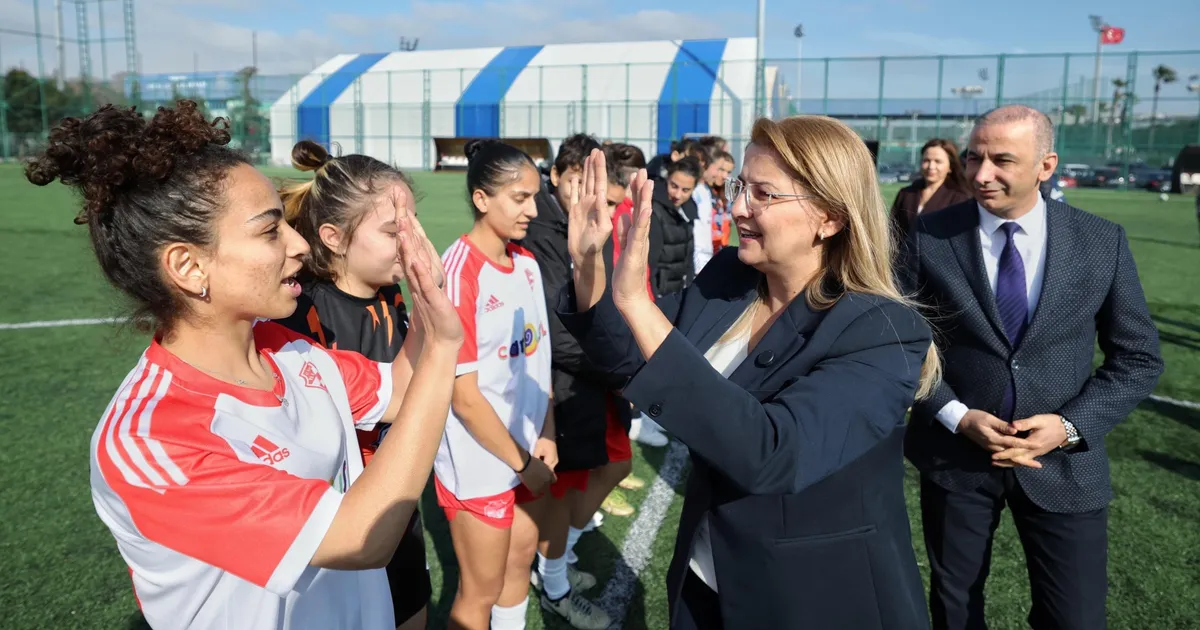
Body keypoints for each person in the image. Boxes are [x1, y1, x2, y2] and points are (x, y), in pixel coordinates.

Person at [31, 101, 462, 629]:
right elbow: (357, 536)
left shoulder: (292, 351)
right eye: (269, 231)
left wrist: (428, 308)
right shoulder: (150, 440)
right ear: (188, 266)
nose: (300, 244)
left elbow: (398, 390)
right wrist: (442, 349)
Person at [557, 116, 938, 629]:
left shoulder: (882, 330)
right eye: (740, 187)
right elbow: (627, 354)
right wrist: (589, 265)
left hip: (810, 600)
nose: (737, 207)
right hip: (707, 575)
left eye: (764, 194)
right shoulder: (731, 277)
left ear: (829, 217)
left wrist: (634, 301)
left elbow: (771, 455)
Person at [900, 105, 1164, 630]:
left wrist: (1066, 428)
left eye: (1001, 160)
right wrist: (956, 415)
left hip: (1066, 465)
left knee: (1076, 617)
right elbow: (901, 346)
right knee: (954, 612)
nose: (980, 174)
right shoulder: (928, 236)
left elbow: (1137, 357)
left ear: (1047, 165)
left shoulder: (1100, 241)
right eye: (974, 157)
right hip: (956, 459)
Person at [273, 140, 432, 630]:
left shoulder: (391, 293)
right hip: (338, 519)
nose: (411, 242)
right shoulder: (303, 313)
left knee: (412, 609)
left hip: (398, 501)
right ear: (334, 237)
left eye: (411, 227)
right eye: (392, 231)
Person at [435, 139, 555, 630]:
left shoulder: (526, 264)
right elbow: (463, 398)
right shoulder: (459, 272)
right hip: (481, 461)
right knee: (477, 594)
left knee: (518, 564)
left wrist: (546, 431)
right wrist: (522, 463)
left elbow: (539, 357)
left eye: (534, 195)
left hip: (528, 451)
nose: (533, 208)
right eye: (519, 197)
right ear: (482, 199)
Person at [513, 133, 614, 629]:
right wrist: (610, 361)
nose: (582, 191)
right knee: (554, 490)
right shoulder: (540, 234)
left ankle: (553, 570)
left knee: (579, 481)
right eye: (575, 180)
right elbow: (556, 325)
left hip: (584, 377)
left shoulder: (584, 222)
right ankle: (552, 581)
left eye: (591, 182)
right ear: (555, 176)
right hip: (562, 381)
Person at [890, 138, 971, 241]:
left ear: (950, 167)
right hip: (905, 256)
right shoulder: (906, 194)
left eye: (938, 161)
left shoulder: (959, 198)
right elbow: (894, 232)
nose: (931, 166)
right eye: (926, 160)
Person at [648, 156, 702, 298]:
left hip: (678, 293)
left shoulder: (689, 210)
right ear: (667, 179)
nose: (678, 194)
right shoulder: (654, 209)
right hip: (658, 293)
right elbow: (650, 262)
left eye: (686, 190)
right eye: (674, 186)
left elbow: (689, 256)